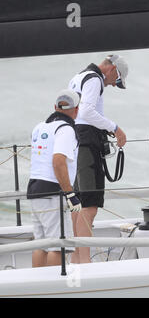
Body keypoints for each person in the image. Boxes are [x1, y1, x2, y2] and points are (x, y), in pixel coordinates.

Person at [68, 54, 128, 263]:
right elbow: (86, 111)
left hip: (74, 139)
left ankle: (77, 257)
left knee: (78, 201)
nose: (113, 84)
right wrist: (115, 128)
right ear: (112, 69)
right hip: (86, 142)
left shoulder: (78, 76)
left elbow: (77, 111)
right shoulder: (94, 79)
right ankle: (85, 261)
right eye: (117, 80)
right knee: (90, 204)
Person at [27, 89, 82, 267]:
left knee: (41, 244)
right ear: (76, 110)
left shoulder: (39, 127)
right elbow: (58, 161)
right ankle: (53, 289)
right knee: (58, 246)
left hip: (34, 189)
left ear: (55, 107)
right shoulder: (66, 130)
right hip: (52, 192)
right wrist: (70, 194)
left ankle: (38, 288)